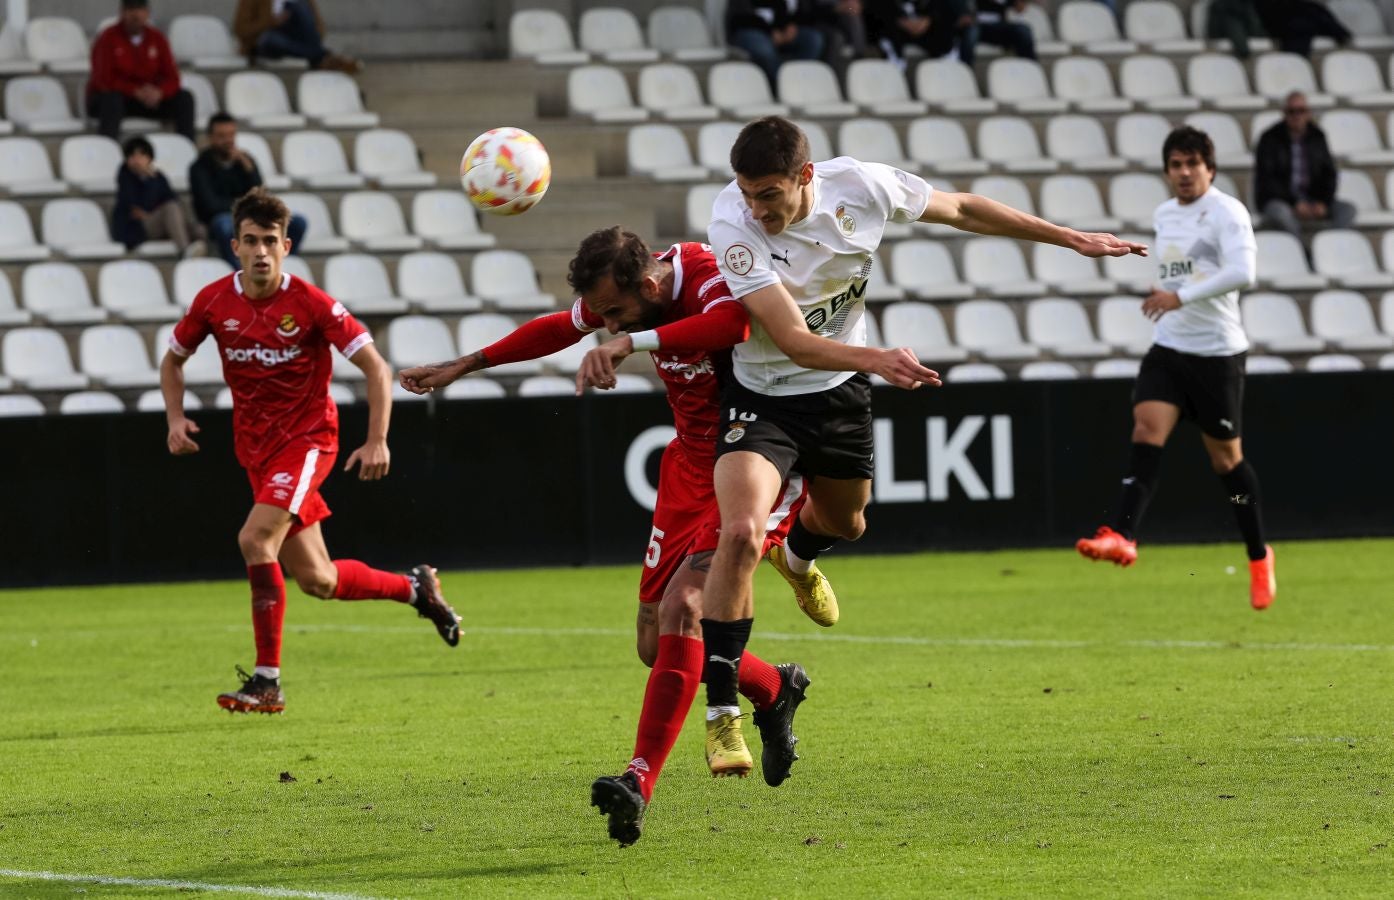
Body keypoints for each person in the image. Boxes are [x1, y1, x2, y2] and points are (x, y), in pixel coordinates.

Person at [700, 116, 1146, 775]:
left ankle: (796, 558)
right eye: (747, 192)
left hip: (839, 390)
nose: (756, 207)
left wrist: (1069, 238)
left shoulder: (864, 187)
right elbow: (791, 341)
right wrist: (878, 357)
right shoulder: (731, 223)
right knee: (738, 534)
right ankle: (722, 719)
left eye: (769, 193)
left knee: (847, 523)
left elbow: (961, 207)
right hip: (761, 393)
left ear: (806, 176)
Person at [399, 229, 848, 846]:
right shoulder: (629, 296)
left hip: (754, 455)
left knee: (685, 609)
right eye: (604, 314)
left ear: (650, 284)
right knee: (654, 643)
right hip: (689, 465)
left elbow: (731, 327)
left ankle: (639, 782)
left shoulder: (712, 274)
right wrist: (466, 363)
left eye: (615, 311)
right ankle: (775, 687)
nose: (604, 323)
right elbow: (560, 326)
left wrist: (630, 340)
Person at [160, 188, 461, 715]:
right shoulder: (213, 302)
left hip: (306, 443)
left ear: (286, 245)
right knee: (318, 580)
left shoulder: (311, 304)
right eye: (250, 241)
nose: (260, 251)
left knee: (254, 539)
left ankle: (267, 680)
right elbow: (173, 360)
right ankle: (416, 588)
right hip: (255, 450)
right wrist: (175, 417)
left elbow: (376, 367)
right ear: (234, 246)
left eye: (270, 242)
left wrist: (377, 439)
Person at [1076, 126, 1276, 611]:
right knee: (1146, 429)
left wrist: (1178, 296)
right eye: (1176, 165)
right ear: (1167, 171)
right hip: (1170, 349)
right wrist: (1167, 293)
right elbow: (1182, 270)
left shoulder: (1227, 212)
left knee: (1226, 463)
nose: (1184, 173)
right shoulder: (1165, 214)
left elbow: (1243, 273)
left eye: (1193, 164)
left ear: (1209, 168)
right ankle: (1122, 535)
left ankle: (1258, 556)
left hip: (1218, 355)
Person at [190, 112, 308, 270]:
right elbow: (210, 205)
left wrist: (250, 170)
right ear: (210, 138)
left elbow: (261, 195)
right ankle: (244, 272)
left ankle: (275, 269)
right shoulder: (199, 167)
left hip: (253, 217)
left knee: (297, 222)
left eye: (231, 135)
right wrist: (245, 210)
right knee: (223, 224)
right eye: (221, 136)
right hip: (223, 221)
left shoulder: (245, 162)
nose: (228, 141)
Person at [1253, 92, 1356, 243]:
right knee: (1282, 214)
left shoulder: (1318, 137)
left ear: (1308, 113)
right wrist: (1294, 203)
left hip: (1312, 200)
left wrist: (1323, 203)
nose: (1296, 116)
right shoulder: (1269, 139)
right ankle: (1302, 252)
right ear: (1284, 114)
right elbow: (1267, 180)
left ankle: (1330, 246)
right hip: (1279, 200)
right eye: (1291, 111)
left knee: (1348, 210)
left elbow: (1329, 175)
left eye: (1301, 111)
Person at [87, 0, 195, 141]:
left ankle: (186, 149)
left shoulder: (158, 38)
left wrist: (159, 92)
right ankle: (108, 150)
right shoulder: (108, 37)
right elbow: (103, 79)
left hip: (149, 100)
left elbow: (173, 78)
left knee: (185, 98)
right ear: (122, 12)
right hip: (118, 99)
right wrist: (134, 91)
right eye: (131, 9)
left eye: (140, 9)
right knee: (112, 100)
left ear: (147, 13)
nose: (135, 15)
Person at [111, 135, 199, 256]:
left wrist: (151, 180)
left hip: (159, 221)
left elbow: (171, 197)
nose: (137, 160)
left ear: (149, 158)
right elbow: (138, 204)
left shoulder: (158, 177)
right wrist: (149, 181)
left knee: (197, 226)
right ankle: (185, 251)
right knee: (171, 208)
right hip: (137, 228)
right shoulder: (125, 177)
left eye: (141, 155)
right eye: (132, 156)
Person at [234, 0, 362, 73]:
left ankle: (319, 57)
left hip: (296, 39)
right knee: (270, 40)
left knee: (298, 7)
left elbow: (319, 29)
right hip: (266, 40)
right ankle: (324, 57)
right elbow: (240, 30)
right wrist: (269, 22)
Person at [725, 0, 826, 88]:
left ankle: (800, 79)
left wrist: (790, 26)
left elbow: (786, 13)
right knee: (764, 49)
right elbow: (740, 19)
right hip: (749, 30)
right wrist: (770, 32)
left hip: (777, 32)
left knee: (812, 39)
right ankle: (782, 84)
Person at [864, 0, 973, 66]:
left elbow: (940, 8)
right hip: (894, 29)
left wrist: (927, 19)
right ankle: (895, 67)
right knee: (887, 34)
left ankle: (947, 63)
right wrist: (901, 21)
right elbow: (874, 10)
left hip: (924, 27)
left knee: (945, 30)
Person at [1255, 0, 1352, 58]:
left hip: (1295, 25)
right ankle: (1338, 32)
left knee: (1313, 12)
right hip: (1279, 23)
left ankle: (1338, 32)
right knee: (1308, 18)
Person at [960, 0, 1037, 67]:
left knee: (1023, 30)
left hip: (999, 27)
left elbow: (1020, 8)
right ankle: (964, 71)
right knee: (970, 33)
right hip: (978, 25)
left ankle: (1031, 70)